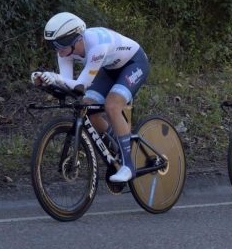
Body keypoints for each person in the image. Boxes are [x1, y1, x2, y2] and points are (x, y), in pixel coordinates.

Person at [31, 12, 149, 183]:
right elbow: (69, 85)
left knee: (112, 106)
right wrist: (44, 82)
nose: (58, 49)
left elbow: (81, 85)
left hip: (134, 63)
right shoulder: (64, 51)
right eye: (53, 45)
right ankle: (117, 142)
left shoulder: (96, 46)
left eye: (60, 44)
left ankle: (128, 166)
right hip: (108, 69)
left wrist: (55, 77)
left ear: (76, 39)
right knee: (88, 107)